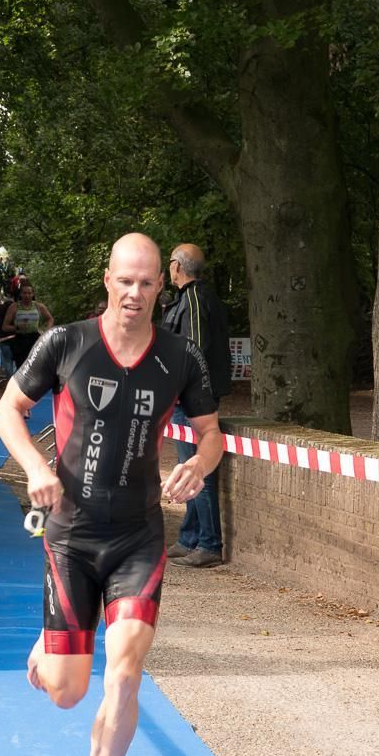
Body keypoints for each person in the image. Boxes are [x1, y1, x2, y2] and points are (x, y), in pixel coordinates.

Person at [0, 232, 223, 756]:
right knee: (68, 693)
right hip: (69, 535)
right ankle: (50, 649)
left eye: (148, 282)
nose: (136, 293)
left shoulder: (181, 356)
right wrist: (37, 470)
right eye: (126, 280)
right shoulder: (66, 342)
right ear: (108, 280)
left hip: (138, 537)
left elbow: (211, 434)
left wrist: (199, 464)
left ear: (160, 286)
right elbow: (6, 412)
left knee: (124, 672)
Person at [161, 243, 231, 567]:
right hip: (186, 401)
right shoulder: (188, 299)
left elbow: (194, 351)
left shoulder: (194, 300)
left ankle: (208, 543)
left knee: (193, 470)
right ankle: (189, 537)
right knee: (185, 467)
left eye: (170, 262)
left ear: (177, 266)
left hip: (194, 403)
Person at [2, 281, 53, 369]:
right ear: (20, 294)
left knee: (35, 366)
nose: (27, 296)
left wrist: (46, 331)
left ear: (32, 294)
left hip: (35, 338)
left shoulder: (38, 306)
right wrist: (17, 327)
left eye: (29, 293)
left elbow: (50, 319)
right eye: (24, 293)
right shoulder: (14, 307)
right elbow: (4, 327)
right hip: (20, 340)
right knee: (22, 368)